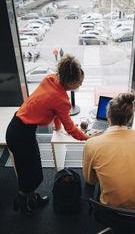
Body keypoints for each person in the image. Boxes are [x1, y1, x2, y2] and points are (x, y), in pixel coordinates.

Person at [6, 55, 99, 217]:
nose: (81, 84)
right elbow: (70, 129)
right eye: (79, 82)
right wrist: (88, 138)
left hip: (19, 126)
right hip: (20, 134)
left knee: (34, 170)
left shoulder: (51, 79)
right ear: (71, 83)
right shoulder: (62, 100)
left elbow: (53, 110)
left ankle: (33, 199)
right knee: (28, 173)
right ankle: (22, 203)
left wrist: (57, 127)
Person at [83, 93, 135, 211]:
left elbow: (90, 180)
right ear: (131, 118)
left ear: (108, 115)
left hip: (111, 210)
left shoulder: (92, 144)